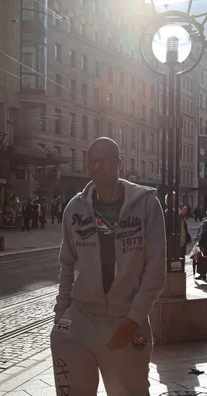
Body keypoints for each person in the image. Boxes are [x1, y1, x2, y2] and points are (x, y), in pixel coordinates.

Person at [51, 137, 165, 395]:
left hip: (125, 321)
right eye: (92, 162)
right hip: (79, 321)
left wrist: (134, 319)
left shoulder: (146, 205)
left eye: (104, 161)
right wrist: (61, 317)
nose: (97, 167)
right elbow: (67, 265)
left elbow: (155, 271)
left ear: (119, 164)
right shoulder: (74, 208)